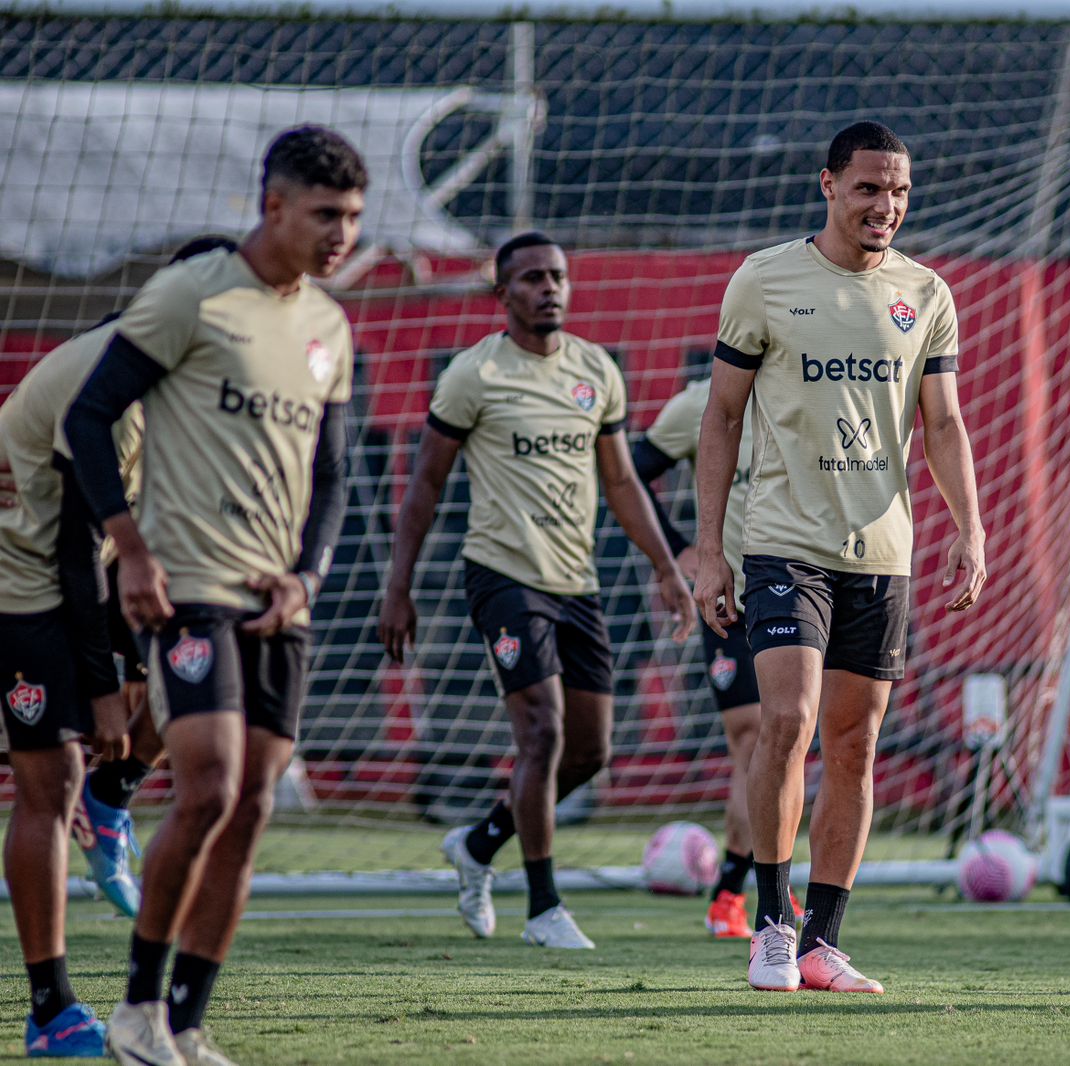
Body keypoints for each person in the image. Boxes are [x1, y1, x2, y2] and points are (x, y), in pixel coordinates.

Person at [65, 126, 365, 1066]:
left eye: (353, 218)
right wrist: (133, 553)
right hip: (189, 585)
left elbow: (333, 478)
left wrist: (306, 577)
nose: (340, 236)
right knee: (209, 787)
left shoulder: (330, 324)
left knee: (254, 806)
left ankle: (187, 1025)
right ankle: (136, 1008)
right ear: (273, 205)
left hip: (282, 603)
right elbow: (88, 413)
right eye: (325, 215)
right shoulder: (191, 295)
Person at [695, 121, 987, 993]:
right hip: (784, 543)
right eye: (868, 188)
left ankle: (823, 940)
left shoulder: (926, 292)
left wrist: (969, 526)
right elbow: (720, 417)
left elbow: (942, 423)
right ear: (828, 186)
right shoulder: (765, 279)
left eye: (898, 191)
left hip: (883, 552)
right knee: (786, 721)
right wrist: (710, 552)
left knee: (855, 746)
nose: (885, 206)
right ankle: (771, 928)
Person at [378, 231, 693, 951]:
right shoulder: (473, 375)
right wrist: (397, 585)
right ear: (503, 293)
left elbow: (621, 481)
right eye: (530, 278)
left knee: (591, 750)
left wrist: (668, 570)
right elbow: (425, 482)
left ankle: (480, 845)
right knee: (543, 732)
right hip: (502, 575)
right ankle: (544, 907)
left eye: (556, 276)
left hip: (575, 582)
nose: (548, 288)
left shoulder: (595, 372)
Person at [0, 235, 235, 1057]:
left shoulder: (187, 371)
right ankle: (50, 1008)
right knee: (49, 777)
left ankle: (112, 799)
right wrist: (102, 684)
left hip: (96, 567)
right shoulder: (117, 382)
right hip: (21, 576)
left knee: (199, 672)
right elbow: (68, 543)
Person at [632, 374, 766, 938]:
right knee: (756, 740)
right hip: (731, 599)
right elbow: (629, 474)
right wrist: (679, 552)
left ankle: (766, 887)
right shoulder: (695, 404)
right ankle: (732, 896)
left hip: (806, 587)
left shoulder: (804, 388)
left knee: (797, 743)